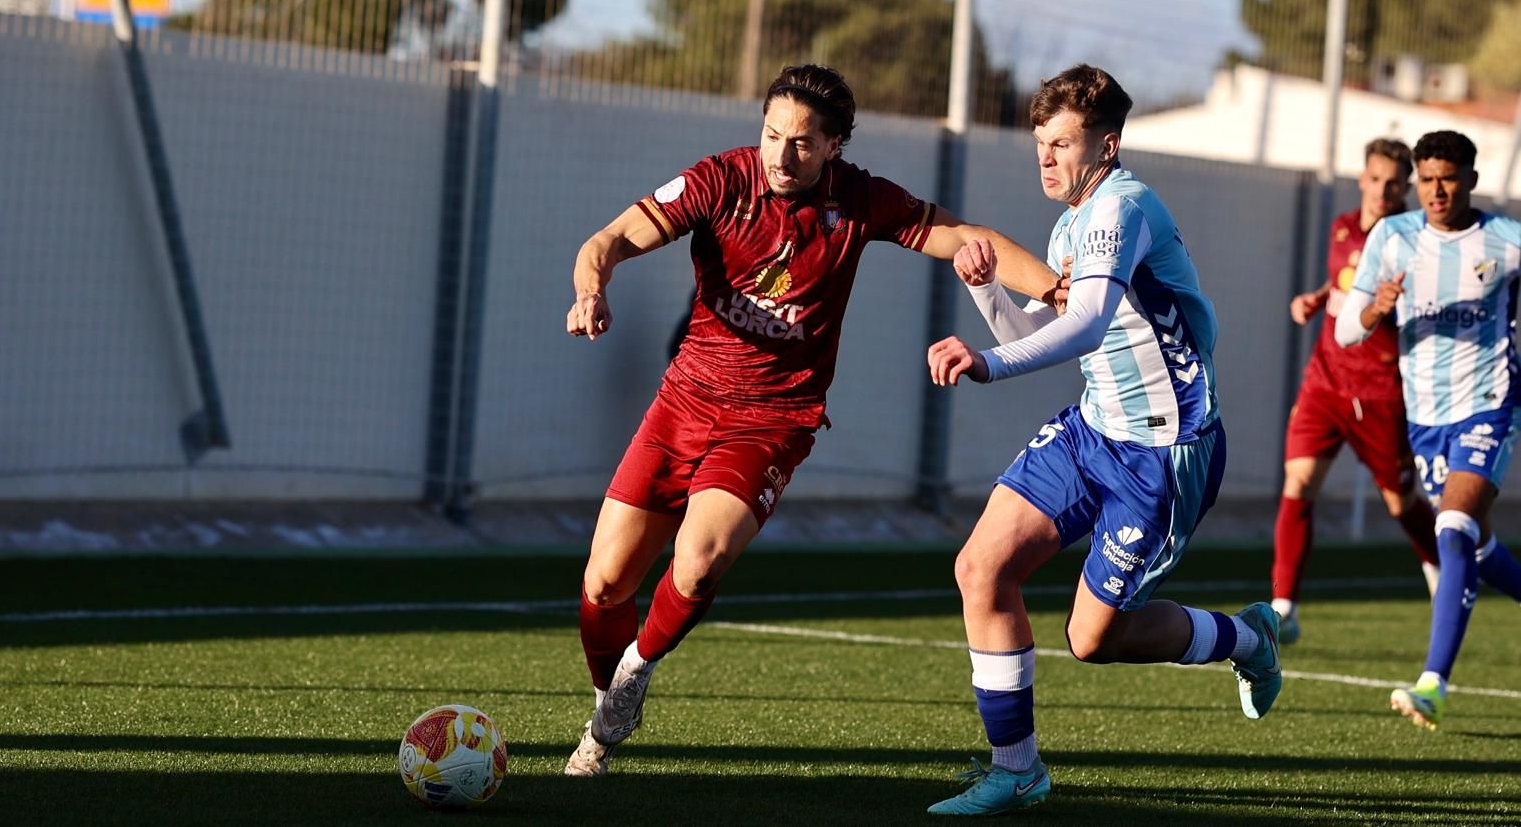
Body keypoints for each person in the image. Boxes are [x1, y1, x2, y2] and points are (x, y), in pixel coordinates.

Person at [561, 64, 1061, 777]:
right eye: (771, 135)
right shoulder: (719, 181)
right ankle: (606, 707)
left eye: (801, 143)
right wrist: (591, 290)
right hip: (683, 402)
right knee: (606, 584)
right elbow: (605, 242)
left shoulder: (859, 202)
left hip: (773, 417)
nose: (780, 155)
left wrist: (1055, 287)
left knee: (698, 563)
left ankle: (635, 672)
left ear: (834, 146)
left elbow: (964, 235)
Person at [923, 64, 1282, 817]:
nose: (1046, 158)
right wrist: (986, 290)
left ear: (1107, 145)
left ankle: (1245, 640)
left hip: (1164, 454)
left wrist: (985, 362)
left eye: (1062, 143)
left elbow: (1085, 321)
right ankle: (1016, 768)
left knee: (1094, 639)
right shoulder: (1068, 225)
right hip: (1093, 433)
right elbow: (1045, 331)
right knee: (982, 568)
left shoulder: (1124, 209)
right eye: (1041, 144)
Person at [1335, 130, 1521, 730]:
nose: (1436, 191)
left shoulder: (1504, 240)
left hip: (1490, 402)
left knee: (1453, 524)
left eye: (1448, 178)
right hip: (1426, 416)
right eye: (1427, 179)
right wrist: (1373, 309)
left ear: (1470, 178)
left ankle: (1434, 683)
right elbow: (1345, 331)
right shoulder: (1393, 237)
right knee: (1477, 547)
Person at [1272, 138, 1438, 643]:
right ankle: (1284, 606)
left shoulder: (1416, 241)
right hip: (1325, 381)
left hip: (1381, 390)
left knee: (1398, 501)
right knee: (1298, 483)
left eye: (1394, 184)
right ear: (1362, 179)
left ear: (1404, 188)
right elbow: (1344, 284)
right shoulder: (1342, 226)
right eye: (1376, 179)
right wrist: (1316, 299)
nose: (1383, 190)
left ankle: (1441, 567)